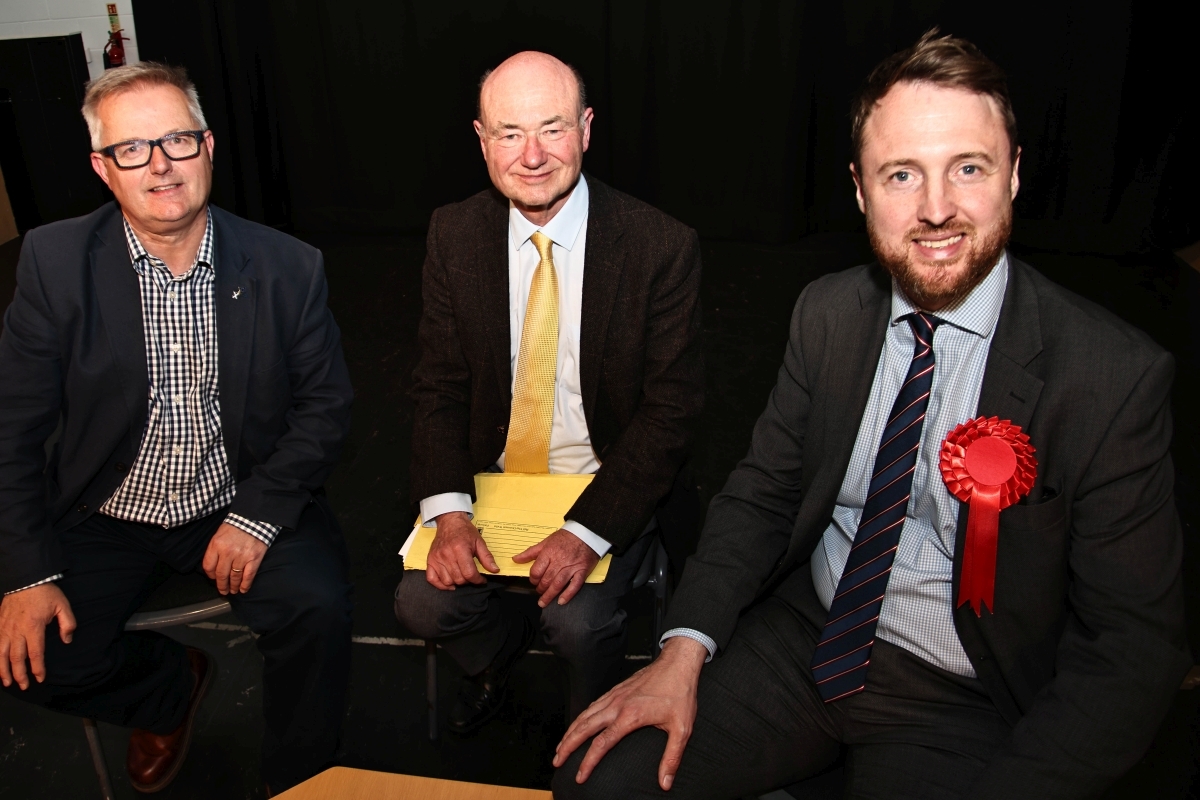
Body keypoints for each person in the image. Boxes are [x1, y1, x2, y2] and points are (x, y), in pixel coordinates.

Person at [552, 30, 1191, 800]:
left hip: (960, 693)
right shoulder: (827, 314)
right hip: (807, 638)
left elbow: (1132, 648)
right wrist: (681, 651)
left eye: (968, 168)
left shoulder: (1109, 377)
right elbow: (762, 494)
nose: (937, 210)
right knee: (598, 788)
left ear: (1015, 173)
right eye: (901, 175)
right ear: (860, 189)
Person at [0, 63, 354, 795]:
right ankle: (168, 689)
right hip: (106, 508)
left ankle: (302, 783)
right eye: (133, 149)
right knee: (25, 653)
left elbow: (326, 407)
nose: (160, 164)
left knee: (318, 608)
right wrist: (28, 573)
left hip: (238, 494)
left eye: (178, 141)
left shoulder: (289, 267)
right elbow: (13, 427)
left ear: (210, 147)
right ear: (103, 169)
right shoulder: (54, 263)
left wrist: (257, 515)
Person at [395, 51, 703, 733]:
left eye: (552, 128)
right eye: (509, 134)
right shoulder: (455, 234)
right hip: (497, 488)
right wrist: (448, 515)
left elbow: (671, 412)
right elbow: (440, 386)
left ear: (587, 129)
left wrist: (589, 533)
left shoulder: (658, 246)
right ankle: (495, 659)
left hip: (603, 489)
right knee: (421, 606)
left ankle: (589, 723)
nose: (531, 155)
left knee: (578, 623)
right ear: (481, 140)